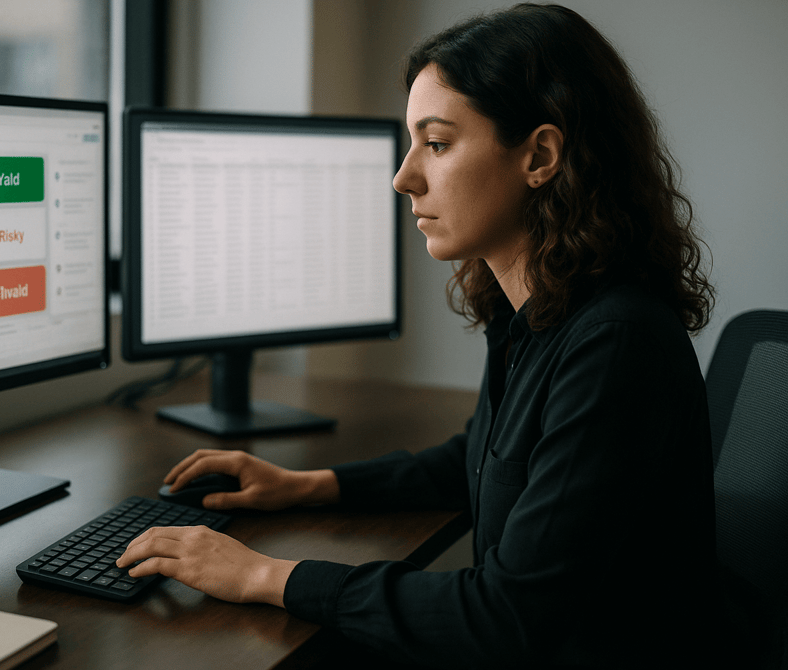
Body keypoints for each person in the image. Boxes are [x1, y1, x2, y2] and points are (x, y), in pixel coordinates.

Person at [118, 4, 722, 667]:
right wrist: (307, 483)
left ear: (541, 155)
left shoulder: (616, 344)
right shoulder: (543, 313)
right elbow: (487, 459)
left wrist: (264, 576)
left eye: (435, 144)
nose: (404, 177)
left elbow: (505, 617)